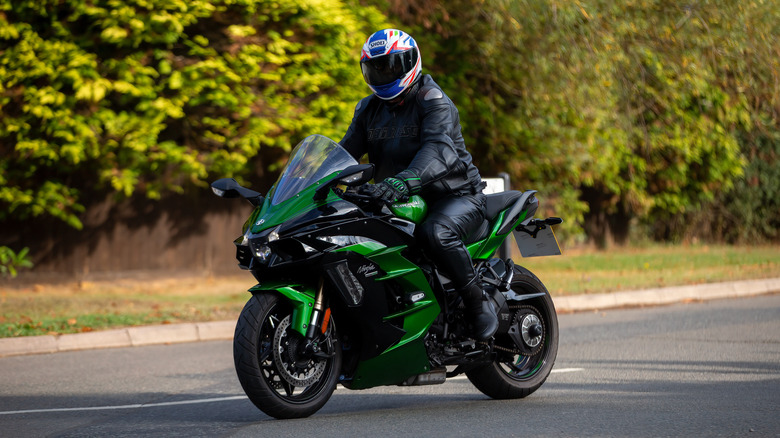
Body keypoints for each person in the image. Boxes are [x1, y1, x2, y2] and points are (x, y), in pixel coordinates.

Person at [339, 28, 498, 340]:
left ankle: (478, 303)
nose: (383, 74)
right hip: (397, 196)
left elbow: (439, 151)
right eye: (376, 68)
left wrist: (404, 181)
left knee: (435, 233)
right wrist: (308, 184)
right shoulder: (369, 109)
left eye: (389, 66)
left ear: (410, 62)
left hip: (454, 195)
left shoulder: (432, 100)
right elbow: (344, 154)